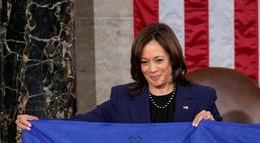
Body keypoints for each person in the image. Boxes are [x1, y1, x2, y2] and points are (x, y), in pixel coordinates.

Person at [16, 23, 221, 130]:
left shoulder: (202, 98)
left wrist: (212, 127)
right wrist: (39, 125)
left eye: (159, 60)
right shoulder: (122, 98)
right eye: (144, 62)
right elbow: (82, 124)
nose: (152, 69)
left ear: (173, 60)